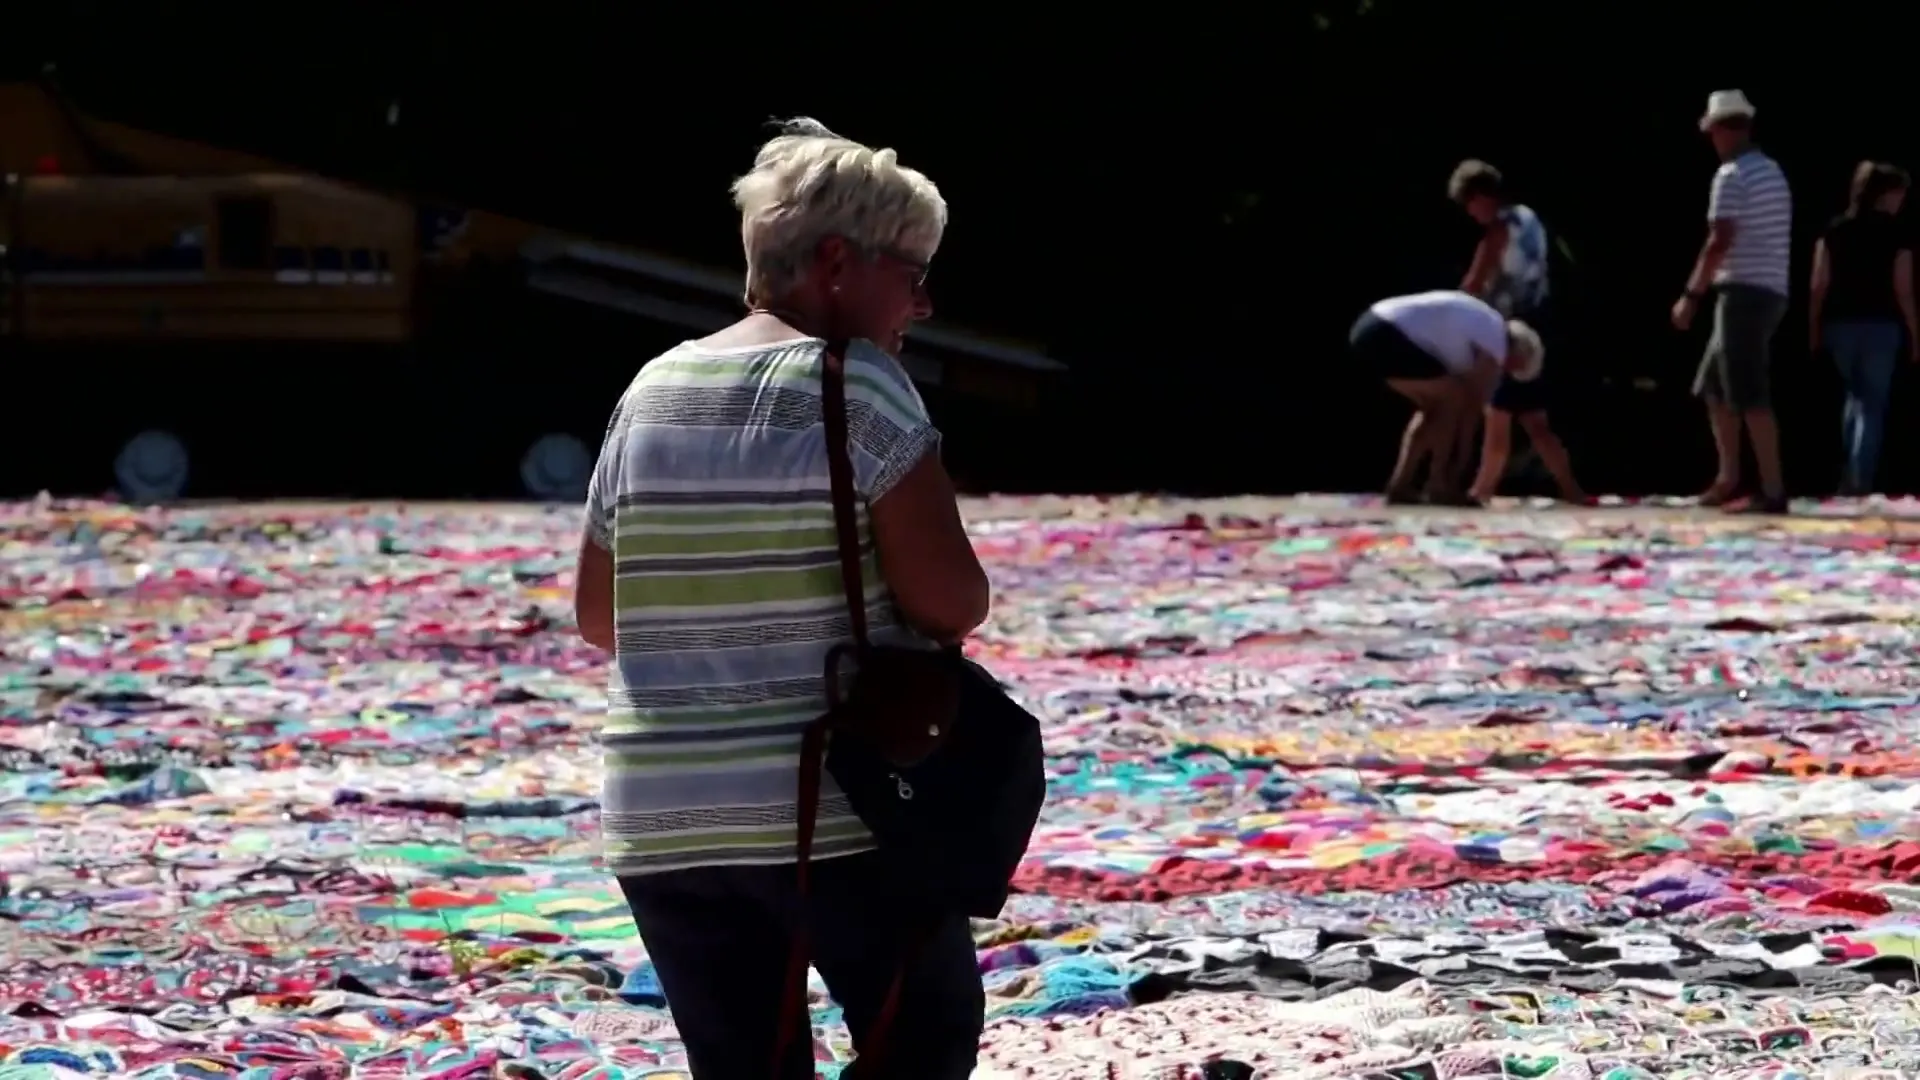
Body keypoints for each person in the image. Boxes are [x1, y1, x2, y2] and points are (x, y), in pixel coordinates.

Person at [571, 118, 990, 1078]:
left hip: (663, 817)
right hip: (833, 808)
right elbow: (950, 602)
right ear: (838, 262)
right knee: (923, 1037)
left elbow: (600, 618)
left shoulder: (652, 388)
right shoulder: (859, 385)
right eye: (913, 272)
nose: (923, 303)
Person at [1672, 90, 1794, 514]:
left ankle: (1772, 489)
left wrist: (1691, 295)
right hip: (1770, 288)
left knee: (1747, 389)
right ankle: (1728, 478)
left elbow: (1719, 240)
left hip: (1744, 290)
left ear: (1723, 130)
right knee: (1714, 383)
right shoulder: (1771, 171)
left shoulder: (1732, 175)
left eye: (1713, 132)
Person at [1446, 160, 1588, 503]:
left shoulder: (1497, 231)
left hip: (1509, 332)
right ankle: (1571, 490)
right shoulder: (1529, 217)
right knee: (1533, 418)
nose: (1471, 214)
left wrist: (1452, 315)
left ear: (1482, 197)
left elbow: (1474, 284)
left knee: (1499, 412)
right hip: (1538, 325)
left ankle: (1480, 491)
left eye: (1470, 205)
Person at [1351, 289, 1544, 505]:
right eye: (1512, 369)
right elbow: (1470, 413)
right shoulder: (1497, 343)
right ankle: (1439, 485)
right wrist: (1458, 473)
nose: (1504, 374)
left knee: (1434, 410)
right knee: (1453, 400)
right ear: (1516, 355)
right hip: (1390, 331)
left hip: (1371, 326)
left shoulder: (1487, 326)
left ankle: (1401, 484)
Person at [1810, 161, 1916, 495]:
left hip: (1840, 324)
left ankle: (1848, 475)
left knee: (1853, 398)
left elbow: (1818, 285)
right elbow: (1904, 289)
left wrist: (1813, 325)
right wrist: (1915, 333)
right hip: (1881, 325)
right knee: (1872, 404)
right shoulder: (1897, 233)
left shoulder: (1834, 229)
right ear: (1886, 194)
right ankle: (1860, 479)